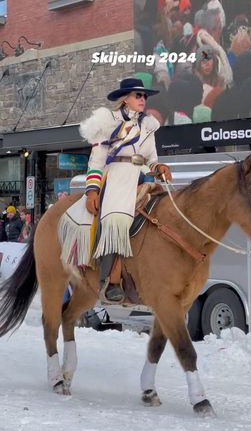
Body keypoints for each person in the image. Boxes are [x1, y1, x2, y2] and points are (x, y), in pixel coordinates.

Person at [59, 78, 172, 303]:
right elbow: (97, 160)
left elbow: (151, 159)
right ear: (125, 98)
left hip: (137, 177)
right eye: (137, 95)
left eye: (144, 96)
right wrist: (92, 191)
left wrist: (159, 167)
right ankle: (111, 281)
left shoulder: (148, 125)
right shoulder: (108, 122)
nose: (142, 99)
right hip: (115, 177)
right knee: (117, 219)